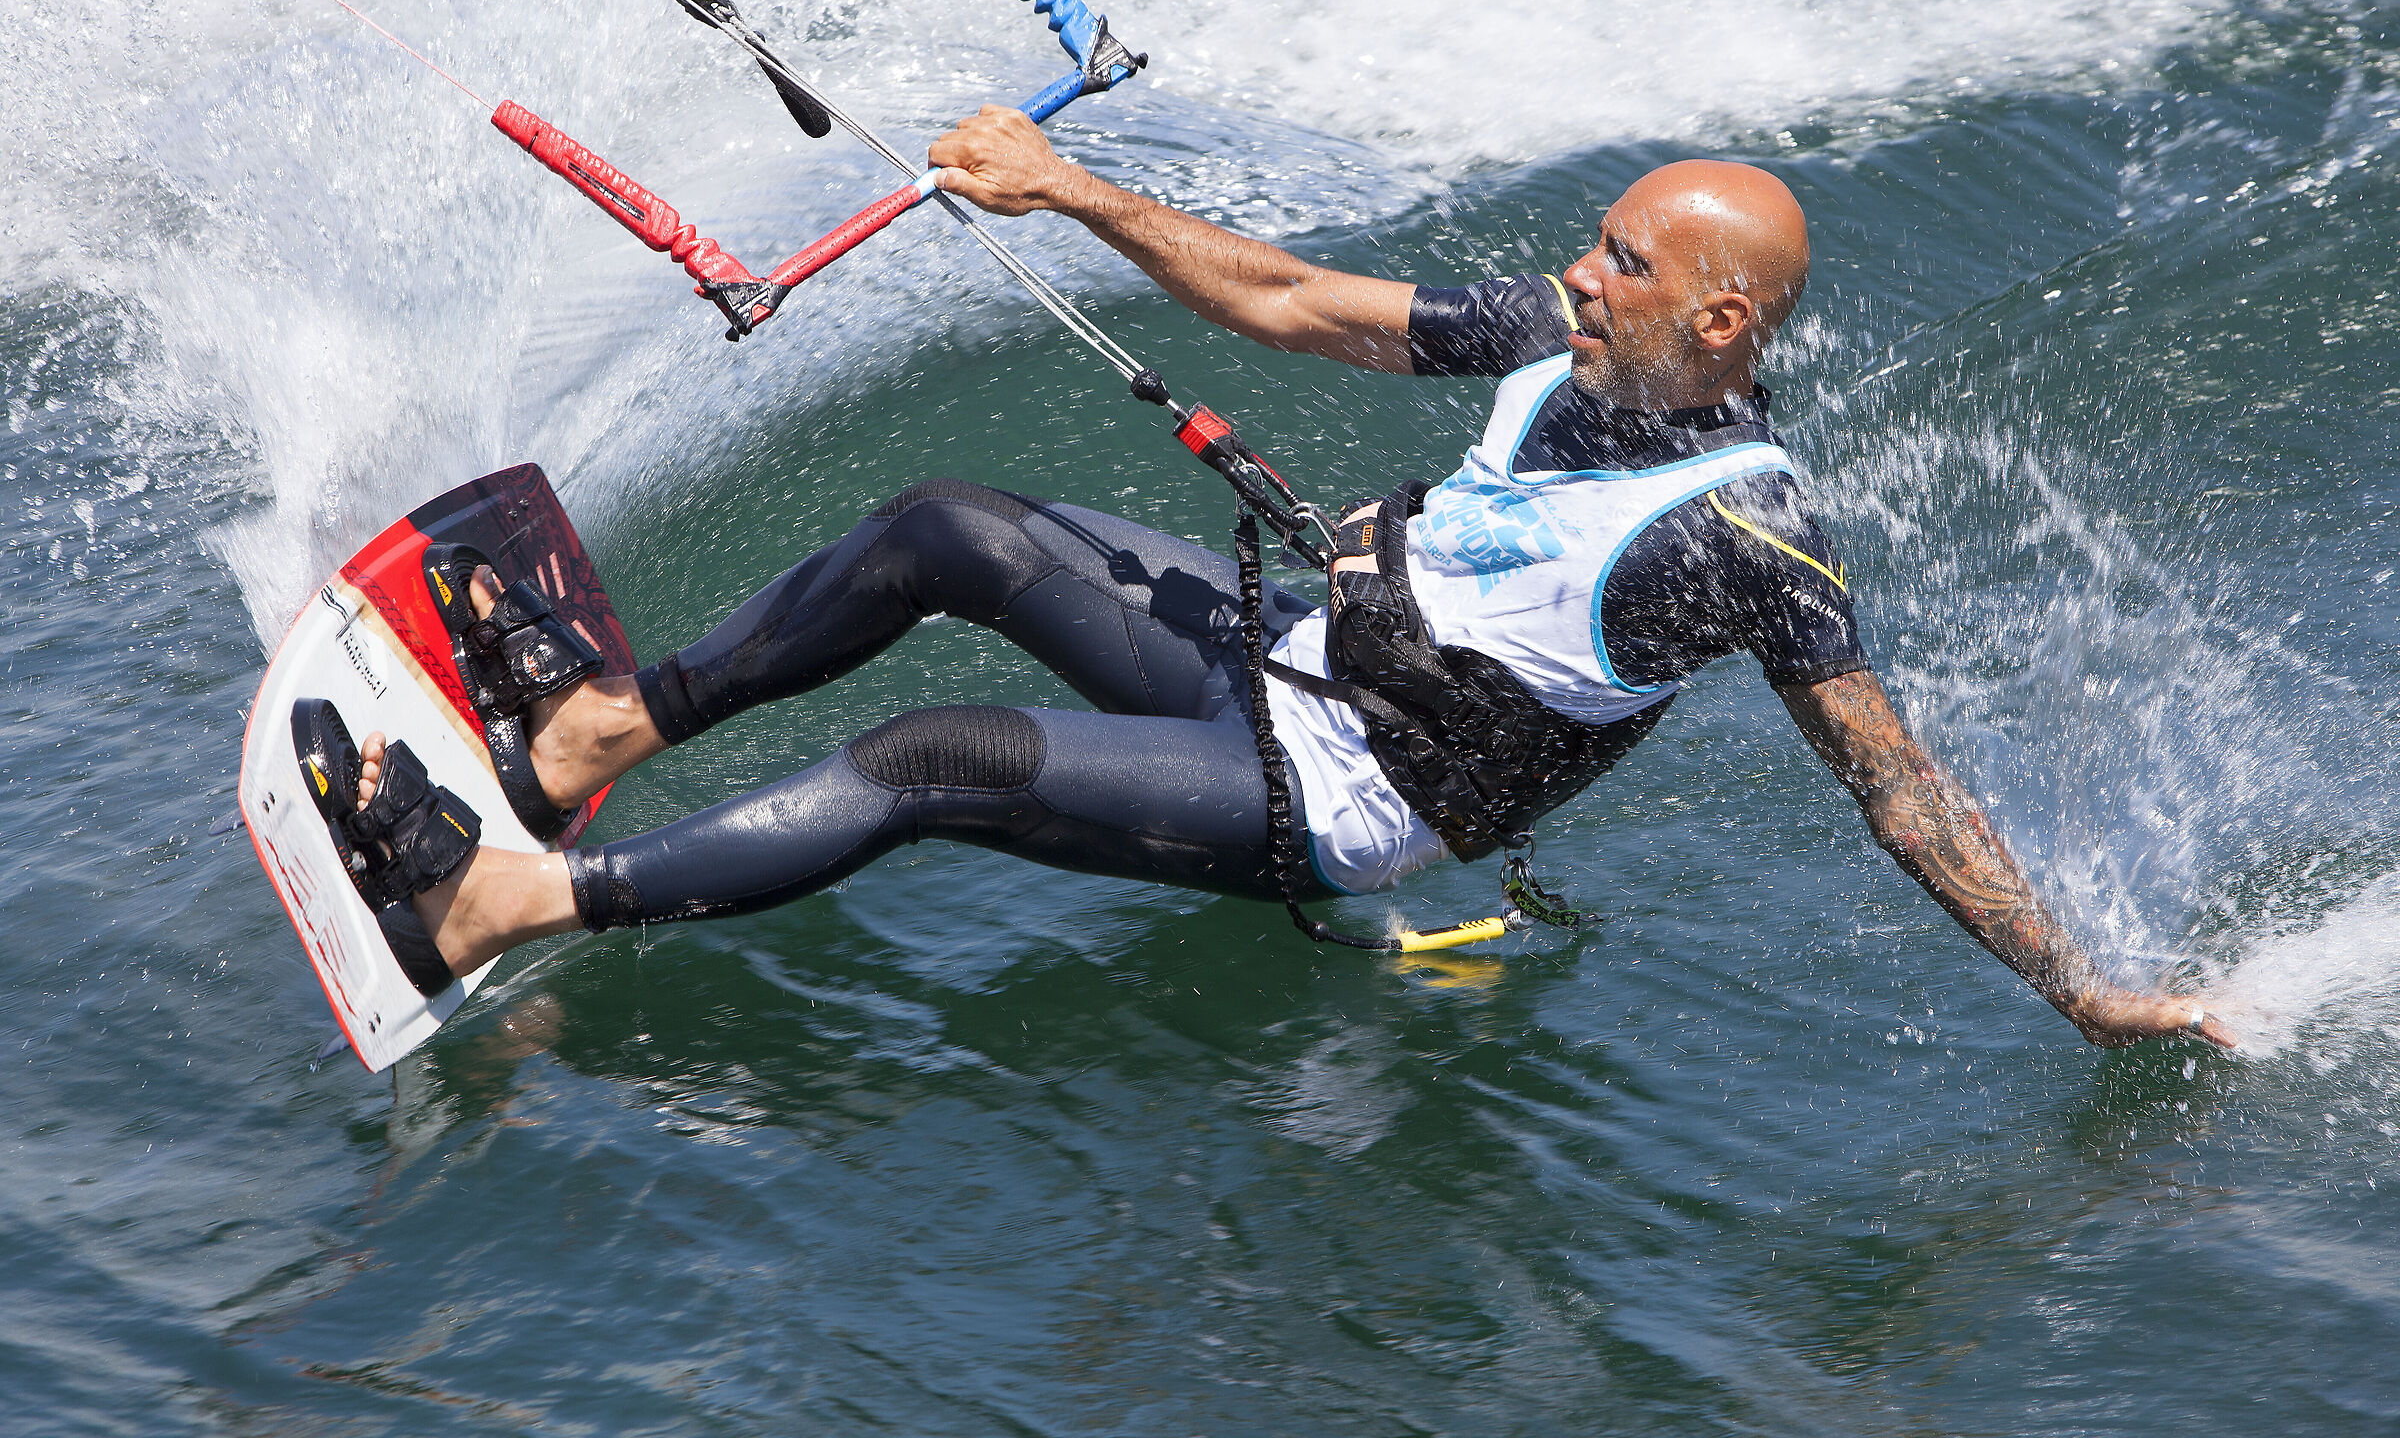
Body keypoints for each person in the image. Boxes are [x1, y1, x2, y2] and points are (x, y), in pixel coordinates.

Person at [316, 107, 2235, 1051]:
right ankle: (593, 730)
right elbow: (1300, 302)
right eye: (1593, 245)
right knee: (949, 525)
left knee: (932, 759)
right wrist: (1077, 193)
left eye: (1625, 262)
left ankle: (502, 903)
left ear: (1721, 318)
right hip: (1285, 654)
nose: (1579, 271)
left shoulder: (1745, 544)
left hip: (1345, 792)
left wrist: (2081, 987)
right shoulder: (1558, 345)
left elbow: (1898, 785)